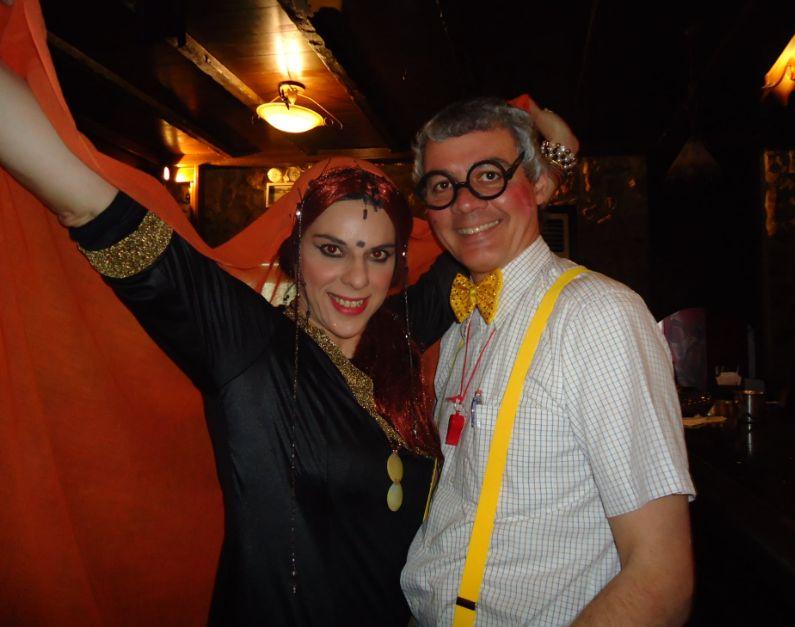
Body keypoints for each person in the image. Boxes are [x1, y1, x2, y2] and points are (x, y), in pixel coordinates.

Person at [0, 57, 463, 625]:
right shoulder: (250, 345)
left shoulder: (395, 332)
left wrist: (544, 155)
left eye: (379, 255)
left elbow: (477, 238)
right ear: (295, 252)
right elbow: (89, 204)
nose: (357, 279)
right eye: (332, 250)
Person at [401, 97, 696, 625]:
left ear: (538, 184)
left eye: (488, 175)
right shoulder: (461, 328)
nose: (465, 204)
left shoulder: (598, 316)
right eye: (443, 185)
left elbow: (661, 576)